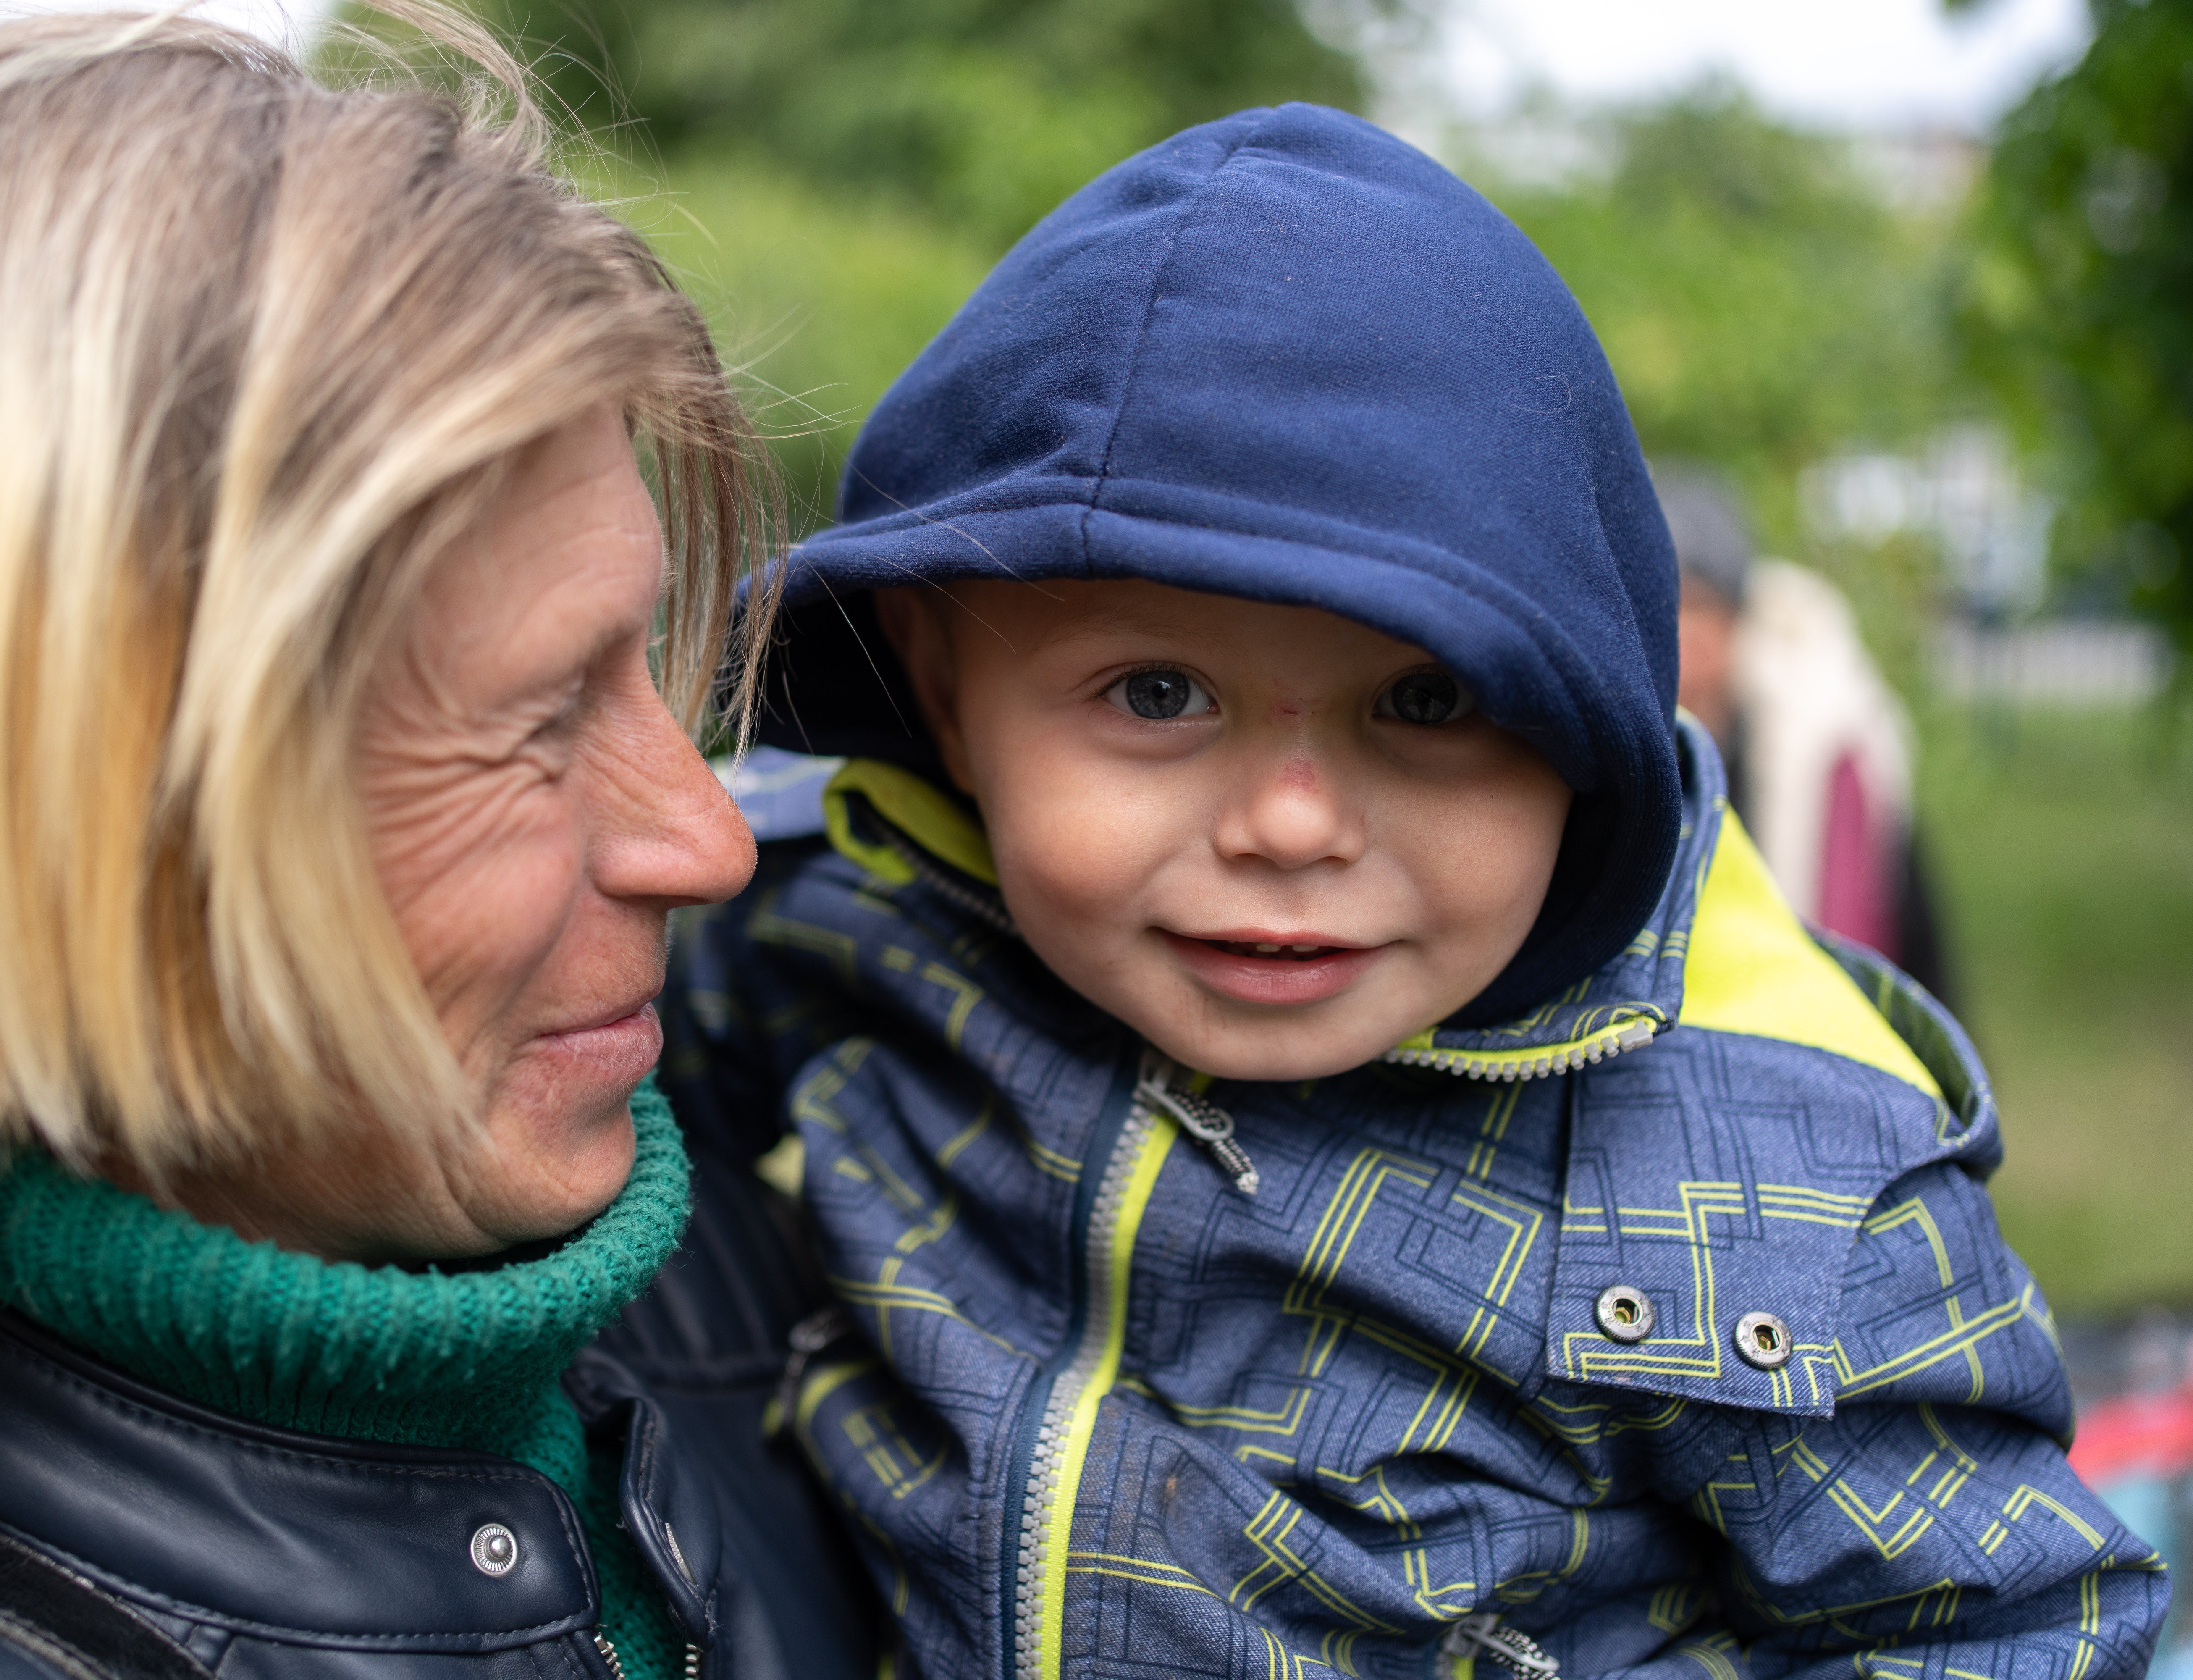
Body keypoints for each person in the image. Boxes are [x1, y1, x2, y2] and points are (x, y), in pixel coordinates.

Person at [661, 108, 2165, 1678]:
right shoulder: (827, 917)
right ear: (943, 685)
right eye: (1159, 693)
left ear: (1585, 738)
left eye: (1429, 704)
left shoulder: (1776, 1195)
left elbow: (2009, 1627)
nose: (1291, 821)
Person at [0, 12, 877, 1677]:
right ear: (38, 830)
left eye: (650, 669)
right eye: (537, 724)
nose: (704, 839)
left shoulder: (802, 1289)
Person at [1654, 464, 1954, 1002]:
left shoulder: (1814, 759)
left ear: (1739, 622)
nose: (1683, 634)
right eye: (1663, 605)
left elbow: (1906, 955)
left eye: (1701, 607)